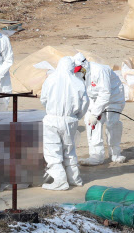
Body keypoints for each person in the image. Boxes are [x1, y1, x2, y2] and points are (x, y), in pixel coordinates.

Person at [40, 56, 89, 191]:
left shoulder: (50, 79)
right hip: (70, 120)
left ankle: (60, 181)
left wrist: (51, 109)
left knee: (53, 151)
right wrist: (76, 116)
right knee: (69, 149)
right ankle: (74, 179)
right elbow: (85, 104)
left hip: (52, 119)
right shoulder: (78, 82)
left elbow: (43, 99)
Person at [72, 52, 127, 165]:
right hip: (95, 99)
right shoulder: (79, 73)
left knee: (112, 124)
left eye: (79, 69)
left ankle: (115, 153)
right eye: (76, 70)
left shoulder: (99, 71)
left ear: (85, 64)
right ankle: (96, 156)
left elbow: (105, 93)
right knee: (92, 124)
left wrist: (95, 113)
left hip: (113, 99)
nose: (78, 72)